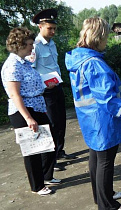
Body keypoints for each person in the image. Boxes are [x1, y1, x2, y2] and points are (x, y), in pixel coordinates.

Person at [65, 17, 121, 210]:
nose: (107, 40)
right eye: (106, 36)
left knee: (96, 157)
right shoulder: (94, 63)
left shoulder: (78, 59)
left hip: (90, 119)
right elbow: (108, 99)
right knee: (105, 162)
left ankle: (102, 195)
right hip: (102, 120)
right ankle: (108, 205)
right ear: (99, 37)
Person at [1, 27, 61, 196]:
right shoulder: (12, 65)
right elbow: (14, 94)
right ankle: (37, 185)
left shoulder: (24, 62)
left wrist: (45, 85)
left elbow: (31, 83)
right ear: (18, 44)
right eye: (28, 44)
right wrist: (27, 118)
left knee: (49, 142)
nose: (32, 48)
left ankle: (46, 176)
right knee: (32, 149)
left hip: (37, 106)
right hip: (24, 111)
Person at [31, 9, 76, 170]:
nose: (53, 31)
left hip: (56, 86)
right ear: (40, 27)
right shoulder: (34, 47)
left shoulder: (52, 44)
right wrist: (43, 85)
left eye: (54, 28)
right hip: (45, 92)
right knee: (50, 124)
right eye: (50, 28)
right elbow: (31, 72)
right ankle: (51, 160)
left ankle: (59, 151)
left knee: (61, 122)